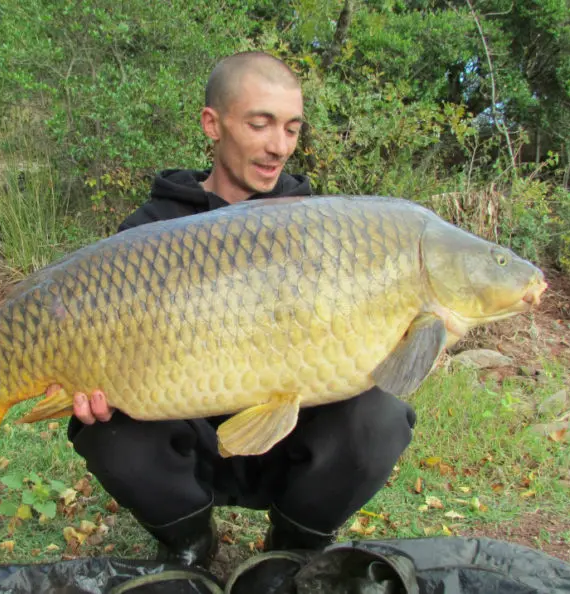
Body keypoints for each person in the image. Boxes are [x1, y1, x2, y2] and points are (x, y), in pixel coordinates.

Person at [47, 51, 417, 571]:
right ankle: (189, 541)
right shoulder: (150, 230)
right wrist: (87, 384)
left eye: (291, 128)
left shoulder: (321, 229)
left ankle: (294, 545)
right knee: (106, 428)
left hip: (293, 441)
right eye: (260, 124)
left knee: (380, 415)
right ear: (212, 124)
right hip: (187, 447)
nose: (278, 147)